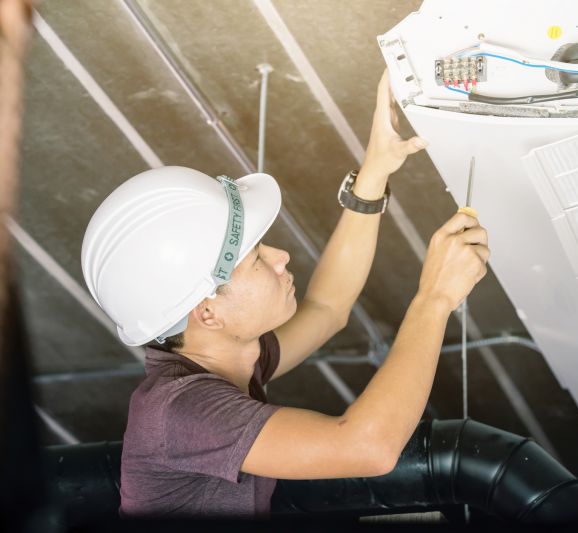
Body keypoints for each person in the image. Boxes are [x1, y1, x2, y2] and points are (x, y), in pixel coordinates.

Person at [81, 71, 489, 518]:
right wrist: (435, 298)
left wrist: (375, 169)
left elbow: (328, 308)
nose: (281, 257)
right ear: (208, 313)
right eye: (256, 259)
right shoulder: (182, 412)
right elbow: (367, 448)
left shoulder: (219, 358)